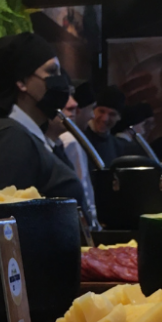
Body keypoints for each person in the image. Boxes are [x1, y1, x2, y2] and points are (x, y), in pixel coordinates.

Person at [0, 32, 86, 210]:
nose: (61, 81)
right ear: (21, 82)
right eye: (52, 72)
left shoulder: (24, 135)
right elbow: (0, 218)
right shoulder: (10, 139)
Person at [48, 90, 98, 226]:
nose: (74, 104)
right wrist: (92, 222)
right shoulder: (69, 139)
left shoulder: (61, 141)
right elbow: (82, 187)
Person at [82, 85, 126, 166]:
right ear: (93, 110)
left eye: (112, 114)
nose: (105, 119)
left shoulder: (118, 147)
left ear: (119, 117)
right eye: (101, 111)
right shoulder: (79, 138)